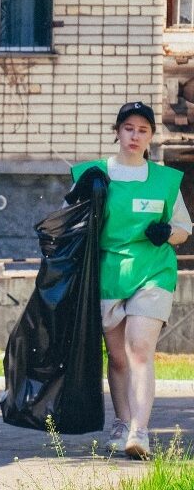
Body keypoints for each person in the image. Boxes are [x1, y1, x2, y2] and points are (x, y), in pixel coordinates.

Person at [69, 101, 190, 460]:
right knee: (118, 357)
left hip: (152, 272)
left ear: (151, 136)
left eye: (143, 130)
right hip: (108, 274)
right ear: (117, 132)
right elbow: (70, 223)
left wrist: (167, 232)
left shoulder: (165, 180)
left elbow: (184, 228)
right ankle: (121, 424)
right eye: (129, 128)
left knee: (139, 349)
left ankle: (140, 430)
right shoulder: (93, 174)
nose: (135, 136)